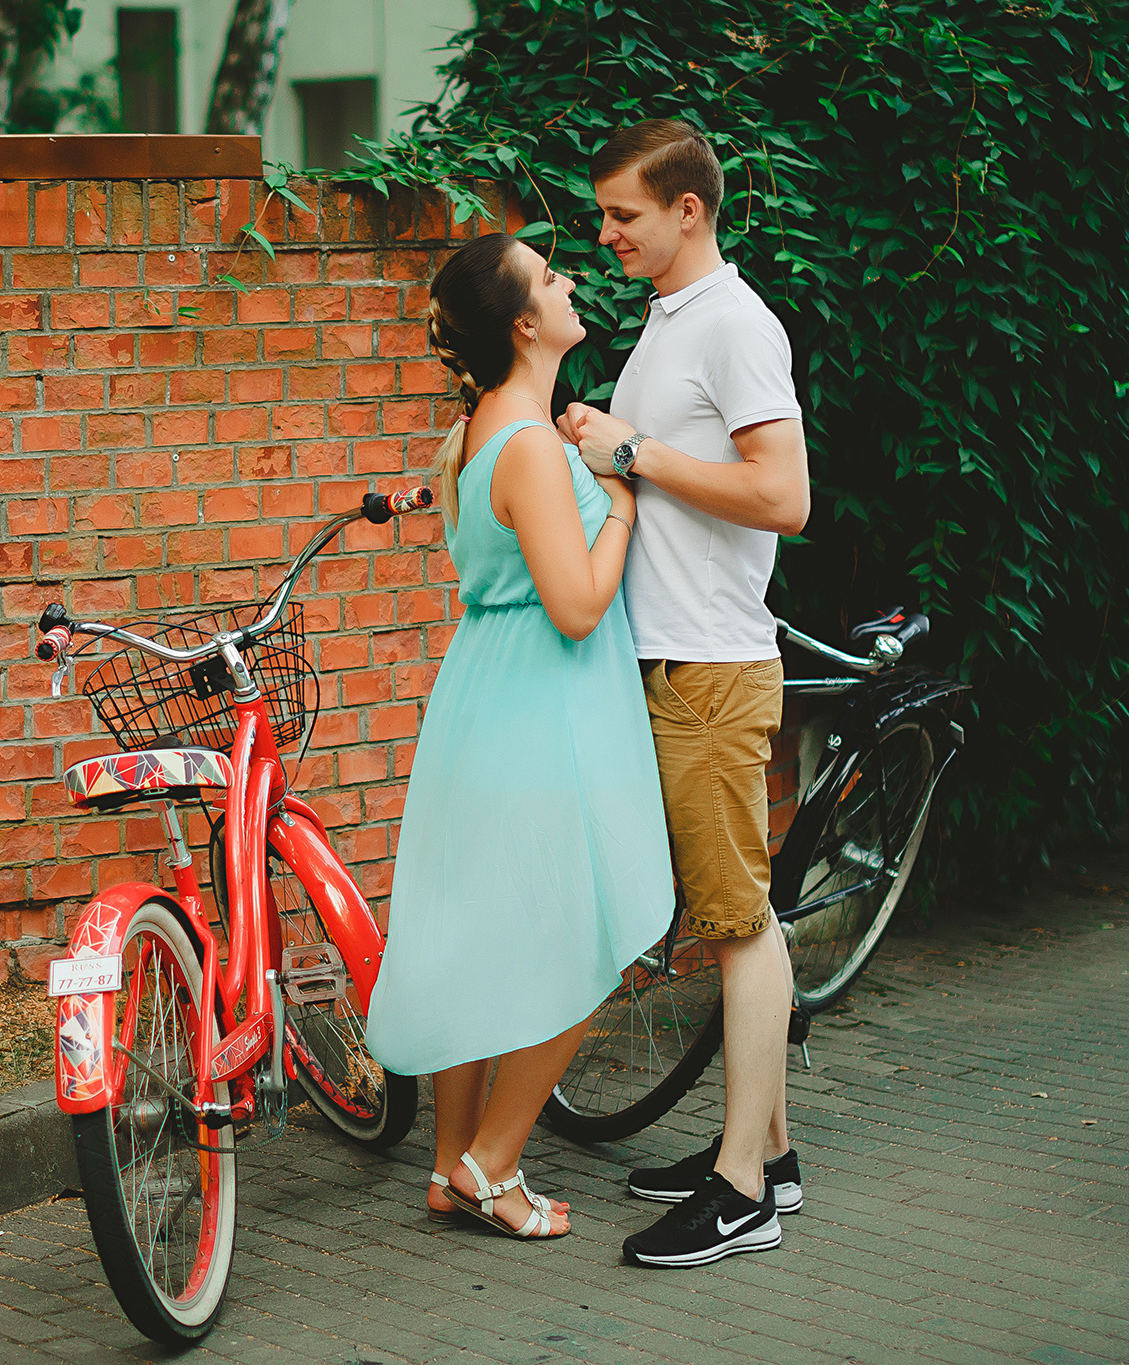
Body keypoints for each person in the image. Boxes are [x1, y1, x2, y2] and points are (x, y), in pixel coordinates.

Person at [366, 232, 674, 1241]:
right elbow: (577, 607)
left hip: (479, 699)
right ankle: (492, 1166)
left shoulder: (467, 439)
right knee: (587, 930)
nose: (571, 278)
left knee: (474, 939)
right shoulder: (530, 446)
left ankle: (450, 1164)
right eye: (549, 276)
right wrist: (621, 506)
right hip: (543, 709)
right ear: (522, 325)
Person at [561, 119, 812, 1269]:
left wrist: (633, 455)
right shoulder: (669, 324)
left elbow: (783, 497)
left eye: (621, 213)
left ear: (687, 212)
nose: (603, 230)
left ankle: (740, 1191)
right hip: (669, 658)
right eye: (603, 214)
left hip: (711, 666)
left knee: (733, 924)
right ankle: (768, 1148)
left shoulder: (732, 325)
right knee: (733, 913)